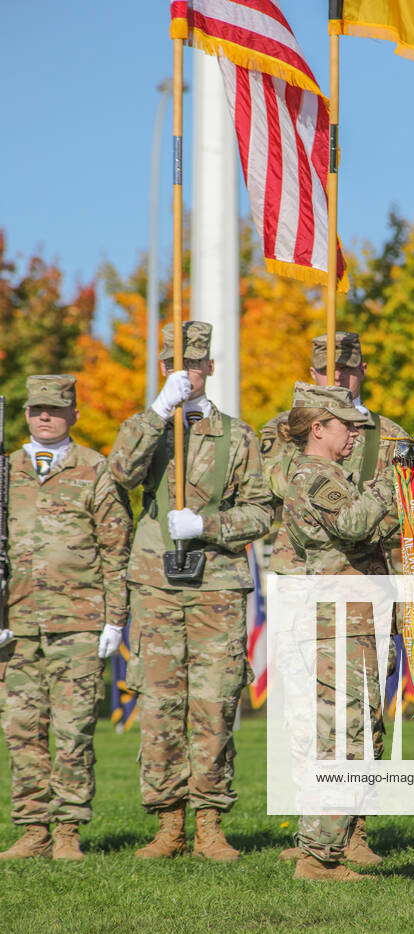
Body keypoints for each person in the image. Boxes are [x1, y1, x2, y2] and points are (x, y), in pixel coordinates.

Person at [108, 321, 272, 861]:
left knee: (214, 703)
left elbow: (263, 512)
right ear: (163, 370)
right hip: (156, 584)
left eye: (197, 364)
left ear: (211, 368)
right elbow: (121, 474)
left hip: (217, 587)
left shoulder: (237, 436)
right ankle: (167, 822)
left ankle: (209, 822)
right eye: (177, 365)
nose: (188, 373)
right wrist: (158, 411)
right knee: (159, 704)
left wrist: (208, 528)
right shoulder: (150, 426)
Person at [262, 332, 407, 866]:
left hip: (352, 616)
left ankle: (320, 844)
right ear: (319, 428)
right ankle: (321, 855)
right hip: (341, 620)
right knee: (342, 735)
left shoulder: (328, 473)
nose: (356, 433)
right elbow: (352, 522)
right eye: (346, 425)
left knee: (343, 729)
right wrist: (392, 484)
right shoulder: (317, 476)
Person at [0, 375, 131, 861]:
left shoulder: (95, 469)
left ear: (73, 413)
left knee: (73, 729)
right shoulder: (6, 470)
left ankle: (68, 830)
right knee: (21, 728)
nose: (45, 417)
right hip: (15, 623)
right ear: (26, 414)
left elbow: (115, 547)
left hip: (78, 621)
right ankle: (33, 828)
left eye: (55, 409)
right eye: (37, 410)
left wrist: (115, 619)